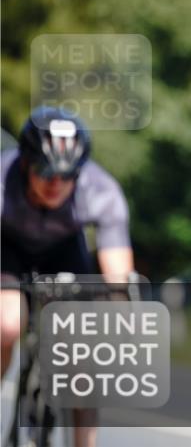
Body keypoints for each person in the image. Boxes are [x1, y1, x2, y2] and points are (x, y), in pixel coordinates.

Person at [1, 107, 134, 447]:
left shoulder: (101, 191)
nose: (56, 184)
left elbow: (117, 273)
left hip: (64, 251)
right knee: (9, 322)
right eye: (46, 172)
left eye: (68, 174)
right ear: (27, 163)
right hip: (8, 248)